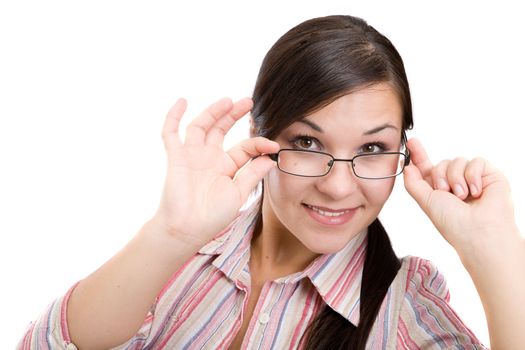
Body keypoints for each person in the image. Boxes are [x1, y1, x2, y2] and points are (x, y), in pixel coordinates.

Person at [17, 15, 524, 350]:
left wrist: (495, 249)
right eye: (308, 143)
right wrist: (171, 233)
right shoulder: (182, 256)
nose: (340, 187)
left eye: (371, 149)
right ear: (259, 135)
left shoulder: (404, 306)